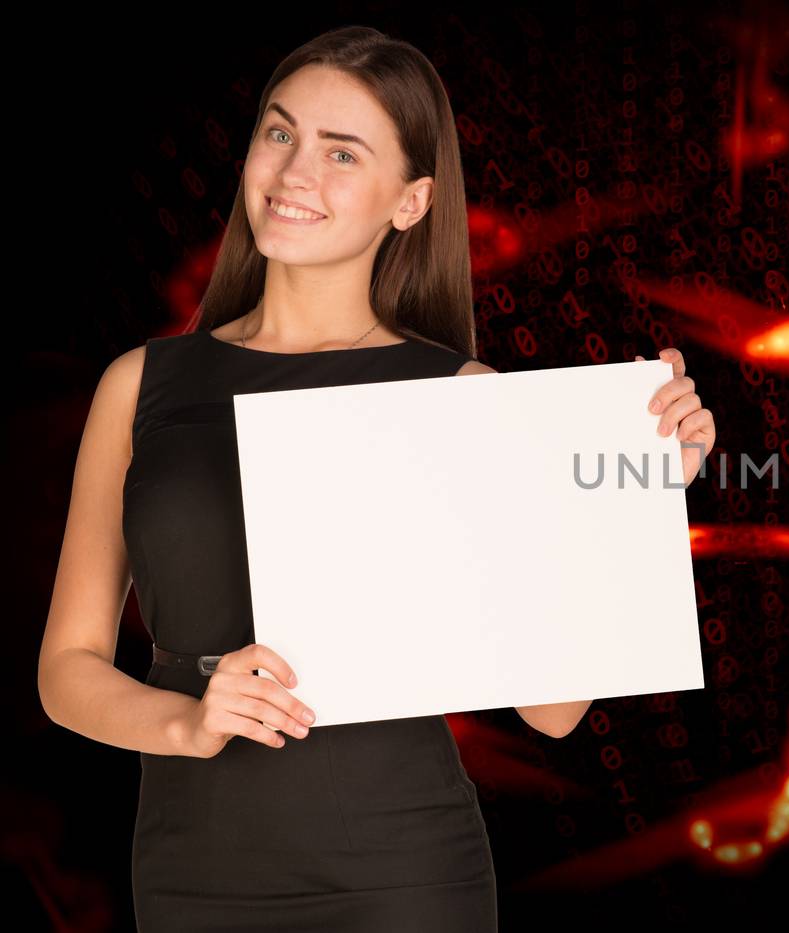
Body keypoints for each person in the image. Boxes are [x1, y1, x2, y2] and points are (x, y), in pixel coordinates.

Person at [37, 25, 716, 932]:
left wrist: (640, 497)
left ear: (411, 202)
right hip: (190, 867)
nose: (293, 172)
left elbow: (551, 709)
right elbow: (65, 668)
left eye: (341, 152)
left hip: (403, 874)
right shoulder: (141, 382)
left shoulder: (465, 397)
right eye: (279, 134)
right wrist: (186, 724)